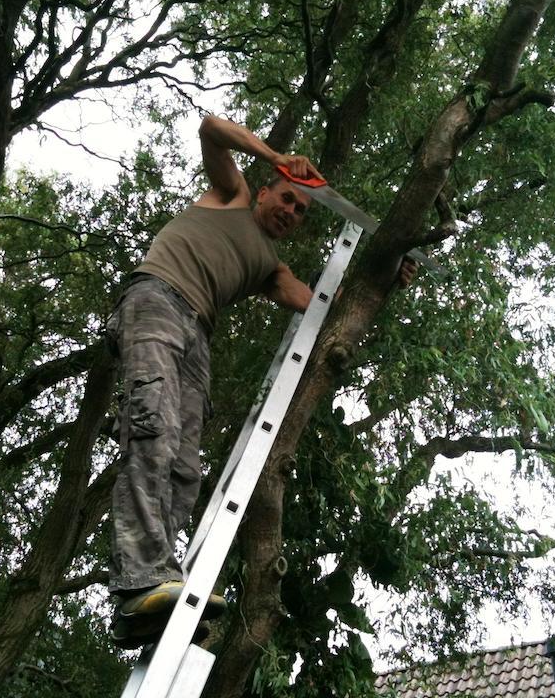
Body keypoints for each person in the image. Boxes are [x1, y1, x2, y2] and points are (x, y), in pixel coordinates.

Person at [105, 115, 415, 647]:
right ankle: (139, 579)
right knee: (151, 426)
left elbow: (328, 310)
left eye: (300, 210)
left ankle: (152, 599)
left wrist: (388, 280)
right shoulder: (230, 194)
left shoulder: (272, 267)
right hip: (156, 297)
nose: (291, 212)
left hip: (199, 332)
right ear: (265, 192)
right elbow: (209, 127)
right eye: (287, 199)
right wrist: (276, 156)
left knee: (184, 465)